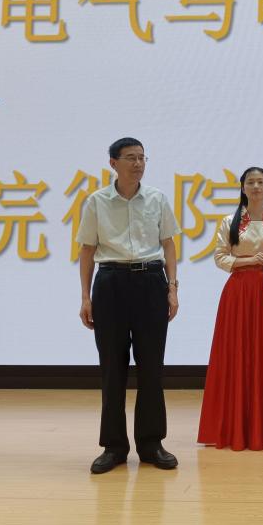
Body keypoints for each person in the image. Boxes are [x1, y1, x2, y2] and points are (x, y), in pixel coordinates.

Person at [77, 138, 179, 473]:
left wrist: (172, 288)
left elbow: (168, 245)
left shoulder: (157, 198)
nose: (138, 164)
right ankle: (114, 447)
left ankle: (151, 444)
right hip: (111, 283)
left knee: (152, 368)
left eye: (142, 158)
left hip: (151, 282)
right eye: (131, 158)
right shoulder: (96, 201)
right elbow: (87, 250)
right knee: (112, 369)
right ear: (113, 163)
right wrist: (86, 296)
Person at [197, 167, 263, 450]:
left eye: (261, 182)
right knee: (237, 354)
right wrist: (250, 260)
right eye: (251, 182)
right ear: (243, 188)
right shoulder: (229, 222)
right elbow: (220, 258)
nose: (256, 186)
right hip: (240, 293)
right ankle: (236, 426)